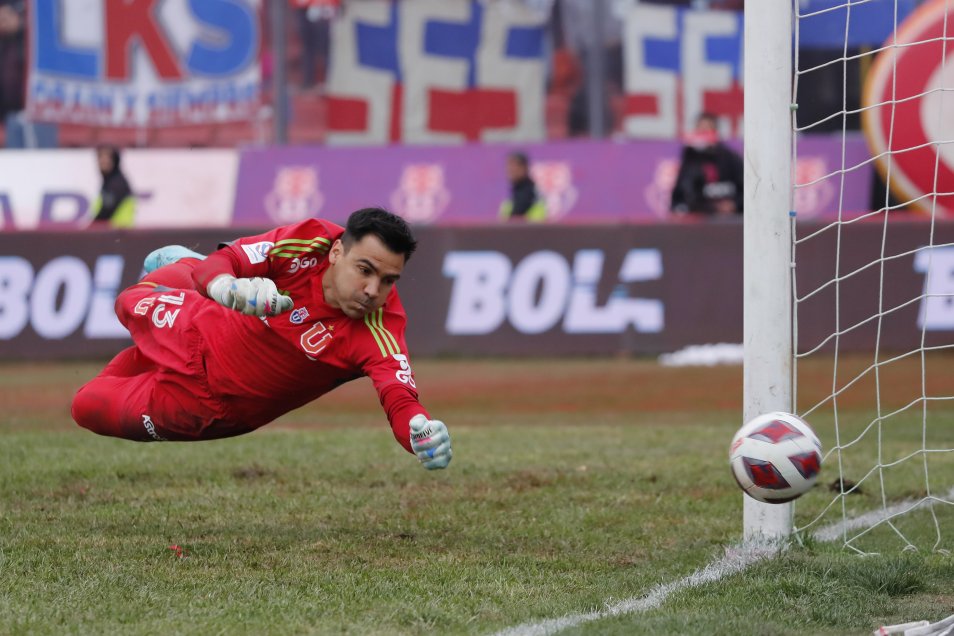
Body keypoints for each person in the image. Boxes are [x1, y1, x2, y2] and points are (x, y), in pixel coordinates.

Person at [71, 208, 452, 471]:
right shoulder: (310, 240)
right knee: (129, 300)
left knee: (84, 405)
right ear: (337, 251)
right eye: (364, 270)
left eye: (388, 281)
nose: (373, 290)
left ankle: (184, 273)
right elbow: (231, 260)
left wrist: (420, 434)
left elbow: (400, 399)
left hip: (205, 403)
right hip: (199, 321)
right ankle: (188, 272)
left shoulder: (380, 329)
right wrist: (225, 287)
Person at [670, 112, 744, 216]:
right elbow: (682, 196)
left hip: (730, 220)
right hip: (701, 221)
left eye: (707, 129)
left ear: (716, 131)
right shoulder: (690, 158)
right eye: (700, 129)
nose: (704, 133)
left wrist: (734, 204)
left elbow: (746, 190)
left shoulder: (731, 158)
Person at [89, 146, 136, 227]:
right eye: (100, 157)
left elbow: (106, 212)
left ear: (115, 160)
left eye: (107, 158)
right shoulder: (109, 182)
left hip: (118, 234)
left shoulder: (117, 184)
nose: (103, 161)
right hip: (114, 234)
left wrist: (90, 229)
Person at [500, 151, 547, 222]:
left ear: (524, 168)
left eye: (514, 165)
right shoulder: (517, 190)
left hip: (530, 231)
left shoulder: (527, 191)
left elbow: (513, 219)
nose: (510, 169)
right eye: (509, 165)